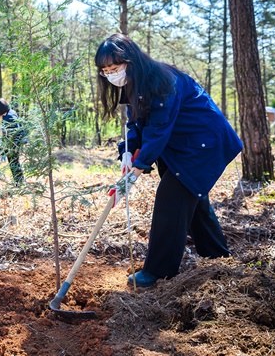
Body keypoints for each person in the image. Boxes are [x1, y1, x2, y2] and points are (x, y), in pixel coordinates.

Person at [95, 33, 243, 288]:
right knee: (193, 200)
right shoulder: (133, 84)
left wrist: (136, 172)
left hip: (202, 145)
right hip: (180, 147)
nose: (111, 75)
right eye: (106, 71)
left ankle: (158, 272)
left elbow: (158, 129)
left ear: (131, 61)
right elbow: (136, 124)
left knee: (171, 202)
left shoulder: (163, 81)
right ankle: (219, 258)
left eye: (115, 68)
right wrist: (127, 152)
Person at [0, 98, 26, 185]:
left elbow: (13, 132)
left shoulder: (10, 117)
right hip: (11, 142)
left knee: (12, 161)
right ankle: (19, 181)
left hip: (14, 143)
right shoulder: (10, 112)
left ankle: (19, 182)